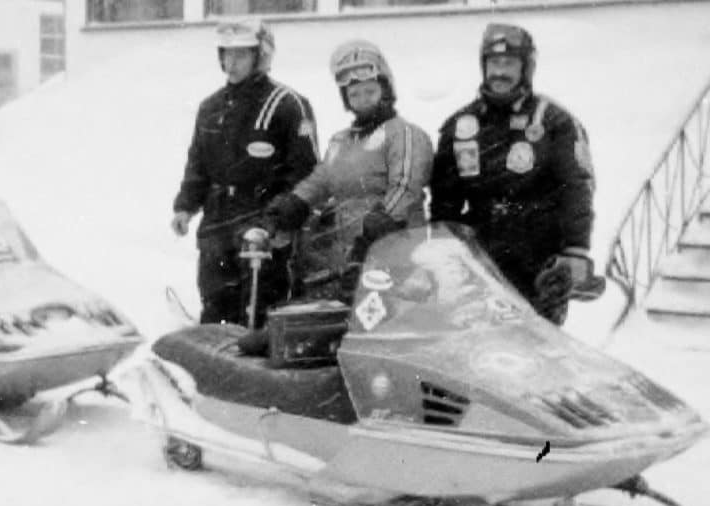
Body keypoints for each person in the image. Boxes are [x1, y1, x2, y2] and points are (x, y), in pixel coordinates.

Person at [429, 23, 596, 325]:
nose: (500, 72)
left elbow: (577, 188)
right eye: (493, 63)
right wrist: (444, 254)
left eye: (509, 63)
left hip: (540, 262)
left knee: (536, 350)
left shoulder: (554, 122)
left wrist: (576, 250)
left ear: (527, 68)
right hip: (481, 262)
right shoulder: (460, 125)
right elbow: (444, 202)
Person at [171, 18, 319, 328]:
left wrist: (279, 221)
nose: (232, 62)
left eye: (241, 54)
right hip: (217, 224)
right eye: (227, 54)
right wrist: (185, 206)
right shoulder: (210, 107)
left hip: (263, 223)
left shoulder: (287, 104)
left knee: (259, 313)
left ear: (260, 55)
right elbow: (197, 163)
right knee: (215, 310)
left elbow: (305, 173)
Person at [261, 40, 433, 305]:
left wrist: (384, 218)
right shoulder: (342, 141)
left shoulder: (403, 133)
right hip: (350, 258)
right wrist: (294, 203)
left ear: (385, 90)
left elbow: (406, 185)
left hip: (396, 251)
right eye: (354, 95)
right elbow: (322, 179)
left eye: (370, 91)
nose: (362, 101)